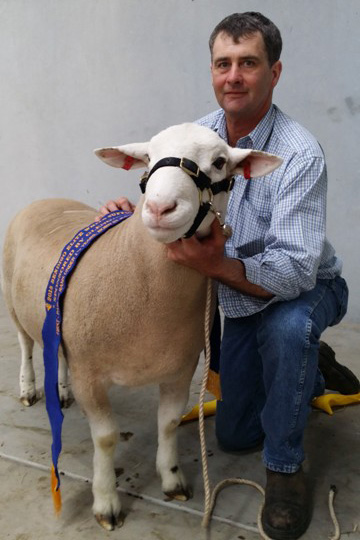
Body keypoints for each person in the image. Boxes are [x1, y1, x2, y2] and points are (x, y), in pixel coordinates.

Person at [98, 12, 359, 539]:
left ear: (274, 72)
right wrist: (131, 214)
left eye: (249, 63)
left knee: (288, 330)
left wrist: (216, 265)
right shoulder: (194, 136)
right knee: (237, 435)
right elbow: (173, 202)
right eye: (223, 64)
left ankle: (286, 469)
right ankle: (310, 367)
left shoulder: (297, 154)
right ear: (213, 71)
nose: (233, 75)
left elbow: (293, 270)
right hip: (238, 295)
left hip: (304, 288)